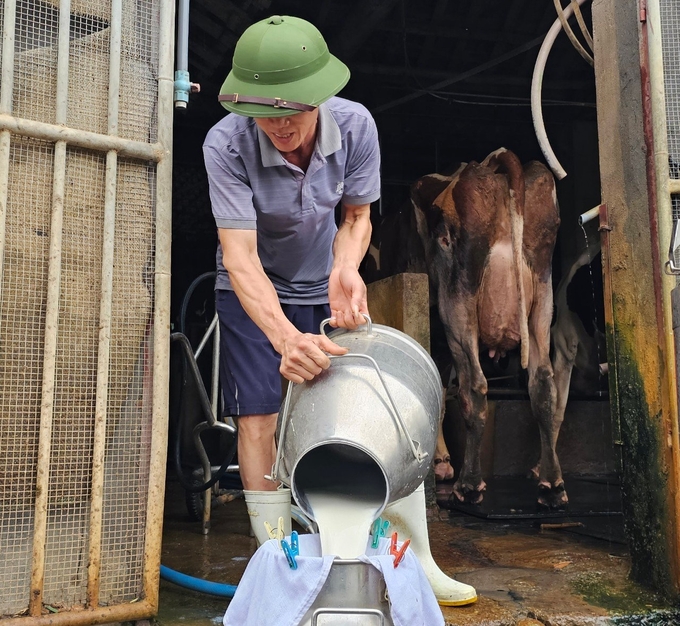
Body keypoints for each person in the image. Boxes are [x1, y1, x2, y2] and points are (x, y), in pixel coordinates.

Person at [203, 14, 476, 607]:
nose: (278, 126)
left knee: (376, 409)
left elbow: (356, 217)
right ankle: (280, 567)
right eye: (264, 114)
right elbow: (241, 257)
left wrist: (345, 268)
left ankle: (415, 563)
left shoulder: (356, 126)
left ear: (321, 98)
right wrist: (282, 337)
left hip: (323, 280)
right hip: (253, 288)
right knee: (260, 419)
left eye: (292, 112)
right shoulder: (224, 143)